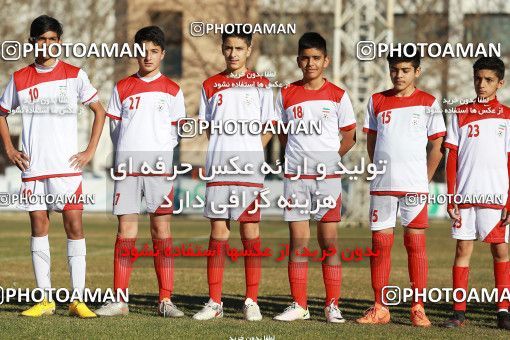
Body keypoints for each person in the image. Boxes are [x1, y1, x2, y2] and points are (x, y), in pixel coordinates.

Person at [0, 15, 106, 318]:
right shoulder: (20, 78)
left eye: (52, 39)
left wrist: (89, 150)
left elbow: (100, 112)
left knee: (75, 227)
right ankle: (45, 299)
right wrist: (10, 148)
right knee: (39, 228)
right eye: (41, 39)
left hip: (67, 170)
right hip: (34, 168)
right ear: (33, 41)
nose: (47, 45)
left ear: (59, 42)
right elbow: (1, 113)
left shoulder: (75, 75)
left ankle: (78, 300)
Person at [94, 26, 186, 318]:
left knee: (161, 230)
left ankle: (165, 300)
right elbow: (114, 129)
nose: (147, 56)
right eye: (142, 50)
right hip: (128, 169)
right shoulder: (122, 87)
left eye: (154, 51)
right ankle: (120, 300)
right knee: (126, 231)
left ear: (162, 54)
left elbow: (176, 131)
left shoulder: (173, 89)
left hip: (159, 170)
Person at [356, 50, 445, 327]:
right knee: (380, 245)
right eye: (395, 69)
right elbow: (371, 141)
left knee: (415, 244)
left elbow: (438, 146)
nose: (399, 74)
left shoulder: (429, 102)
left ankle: (417, 307)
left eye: (405, 69)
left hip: (414, 187)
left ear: (417, 72)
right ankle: (380, 307)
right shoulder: (376, 100)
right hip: (383, 186)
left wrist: (424, 178)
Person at [272, 32, 356, 323]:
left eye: (316, 58)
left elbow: (350, 136)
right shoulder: (285, 94)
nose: (310, 63)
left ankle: (332, 305)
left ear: (326, 60)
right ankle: (299, 305)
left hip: (327, 179)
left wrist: (329, 159)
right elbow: (282, 134)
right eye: (305, 58)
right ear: (298, 60)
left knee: (329, 242)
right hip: (295, 177)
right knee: (298, 242)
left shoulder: (338, 95)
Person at [192, 30, 275, 321]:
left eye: (239, 48)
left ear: (249, 49)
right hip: (218, 170)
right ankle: (215, 302)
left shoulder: (262, 85)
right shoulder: (210, 85)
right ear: (222, 49)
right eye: (228, 48)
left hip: (249, 173)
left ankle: (251, 300)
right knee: (218, 234)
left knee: (250, 233)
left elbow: (269, 126)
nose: (233, 53)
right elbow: (208, 127)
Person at [442, 56, 510, 330]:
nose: (482, 84)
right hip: (465, 197)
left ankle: (503, 311)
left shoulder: (507, 116)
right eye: (478, 79)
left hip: (496, 197)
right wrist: (450, 196)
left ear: (500, 83)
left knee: (501, 250)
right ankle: (458, 312)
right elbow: (452, 157)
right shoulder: (459, 113)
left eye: (489, 80)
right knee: (462, 249)